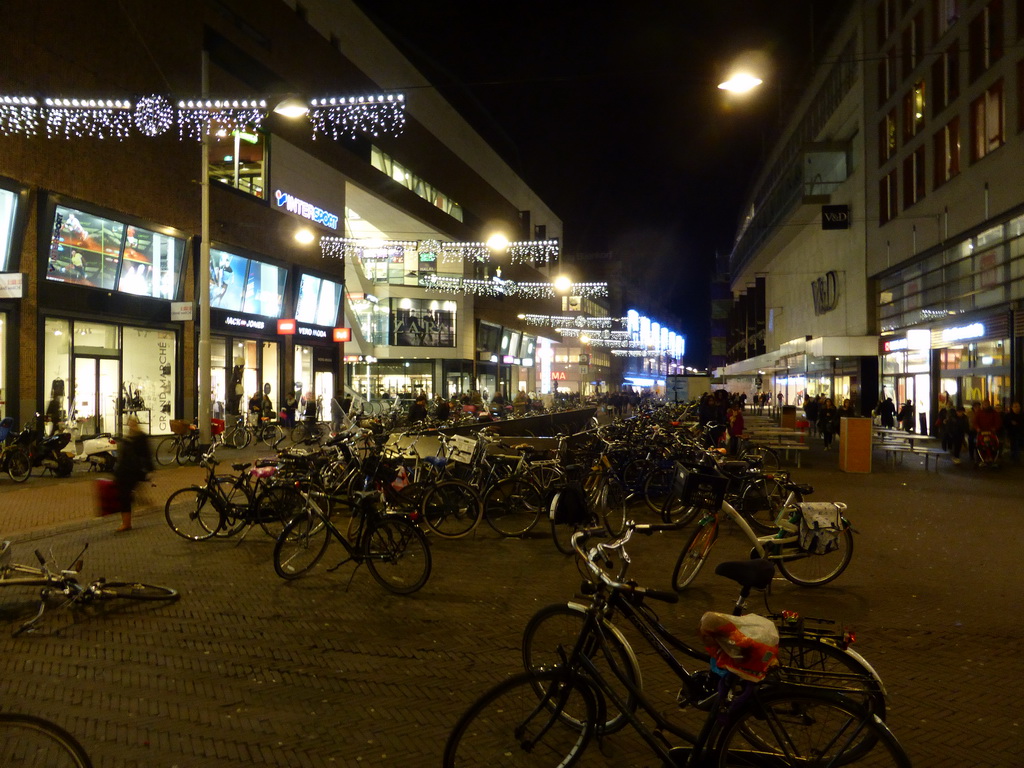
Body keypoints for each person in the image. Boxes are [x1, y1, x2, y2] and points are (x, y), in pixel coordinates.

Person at [112, 415, 153, 532]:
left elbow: (147, 454)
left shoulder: (141, 437)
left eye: (133, 423)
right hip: (124, 471)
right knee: (125, 494)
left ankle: (126, 523)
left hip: (134, 471)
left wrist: (149, 470)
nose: (131, 425)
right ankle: (134, 505)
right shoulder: (127, 437)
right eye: (129, 423)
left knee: (124, 495)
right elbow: (123, 456)